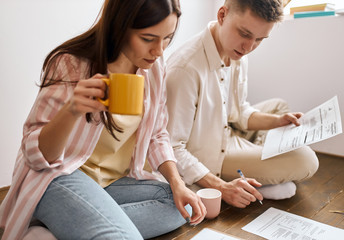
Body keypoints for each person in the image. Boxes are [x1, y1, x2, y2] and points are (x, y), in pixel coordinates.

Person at [0, 0, 207, 239]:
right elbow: (36, 156)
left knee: (184, 205)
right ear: (120, 27)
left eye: (168, 37)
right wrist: (72, 110)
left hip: (110, 184)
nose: (159, 50)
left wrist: (177, 182)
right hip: (59, 176)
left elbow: (157, 134)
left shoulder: (153, 68)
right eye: (148, 39)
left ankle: (57, 230)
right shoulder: (71, 64)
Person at [165, 0, 319, 209]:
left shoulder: (236, 52)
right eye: (245, 34)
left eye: (259, 39)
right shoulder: (185, 69)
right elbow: (172, 147)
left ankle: (254, 175)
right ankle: (255, 180)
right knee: (306, 160)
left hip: (228, 130)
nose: (249, 47)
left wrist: (276, 121)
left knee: (279, 107)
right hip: (209, 153)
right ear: (222, 15)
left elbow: (240, 112)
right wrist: (220, 186)